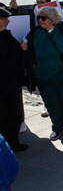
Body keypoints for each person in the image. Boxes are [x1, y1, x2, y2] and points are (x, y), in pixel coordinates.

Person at [23, 6, 63, 140]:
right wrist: (33, 65)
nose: (40, 20)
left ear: (52, 19)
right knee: (52, 103)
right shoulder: (34, 33)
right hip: (45, 77)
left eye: (43, 18)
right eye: (38, 17)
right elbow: (27, 51)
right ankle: (57, 128)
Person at [0, 8, 28, 152]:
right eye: (4, 19)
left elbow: (16, 56)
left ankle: (13, 143)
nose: (8, 21)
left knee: (14, 114)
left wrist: (22, 49)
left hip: (12, 83)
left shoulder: (7, 35)